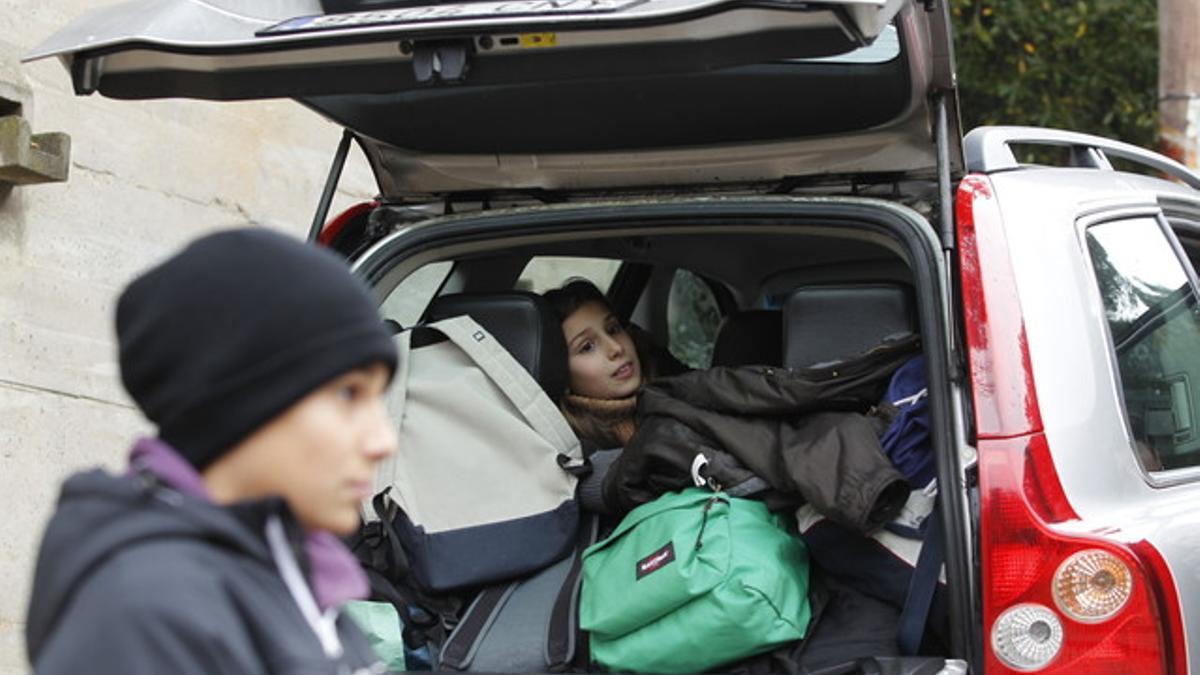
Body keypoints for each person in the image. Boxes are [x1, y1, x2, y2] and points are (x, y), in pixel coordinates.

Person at [25, 228, 399, 674]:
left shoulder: (295, 576)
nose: (383, 441)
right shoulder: (150, 613)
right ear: (242, 403)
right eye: (348, 394)